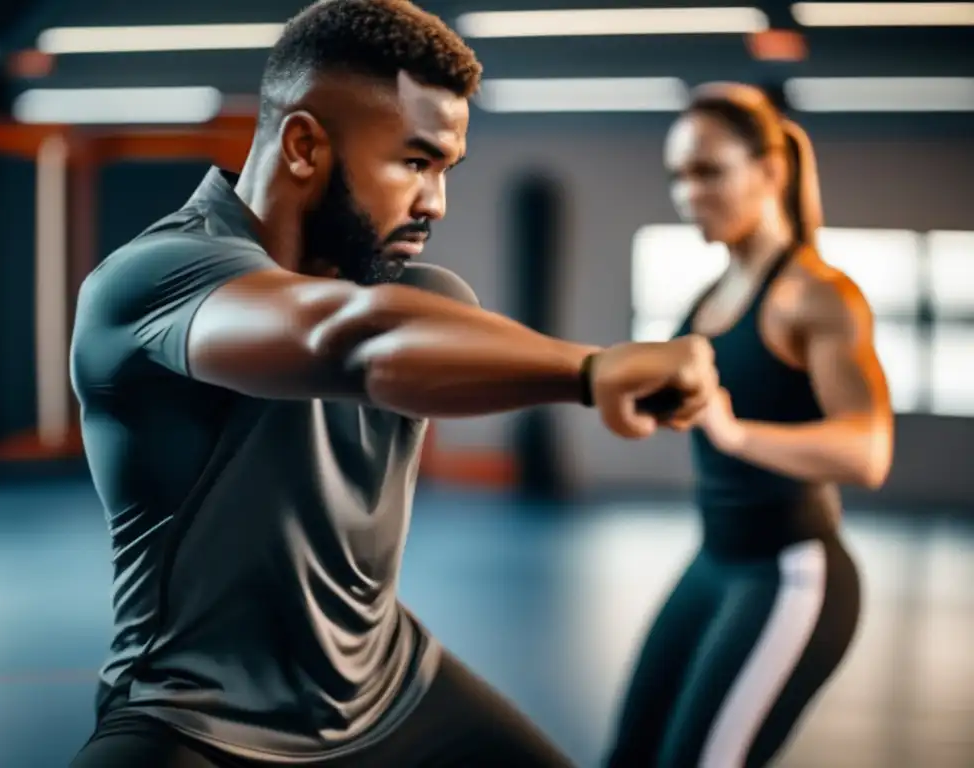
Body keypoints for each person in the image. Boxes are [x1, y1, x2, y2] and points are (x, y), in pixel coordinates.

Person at [67, 2, 718, 766]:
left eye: (446, 170)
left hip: (393, 694)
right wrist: (590, 369)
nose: (435, 202)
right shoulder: (154, 282)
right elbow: (346, 344)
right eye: (414, 162)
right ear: (305, 145)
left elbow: (391, 332)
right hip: (197, 721)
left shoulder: (429, 299)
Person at [606, 83, 894, 768]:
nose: (686, 194)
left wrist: (735, 435)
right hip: (714, 562)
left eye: (708, 172)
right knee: (628, 757)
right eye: (678, 175)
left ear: (769, 171)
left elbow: (868, 449)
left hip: (790, 572)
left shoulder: (816, 294)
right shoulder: (712, 293)